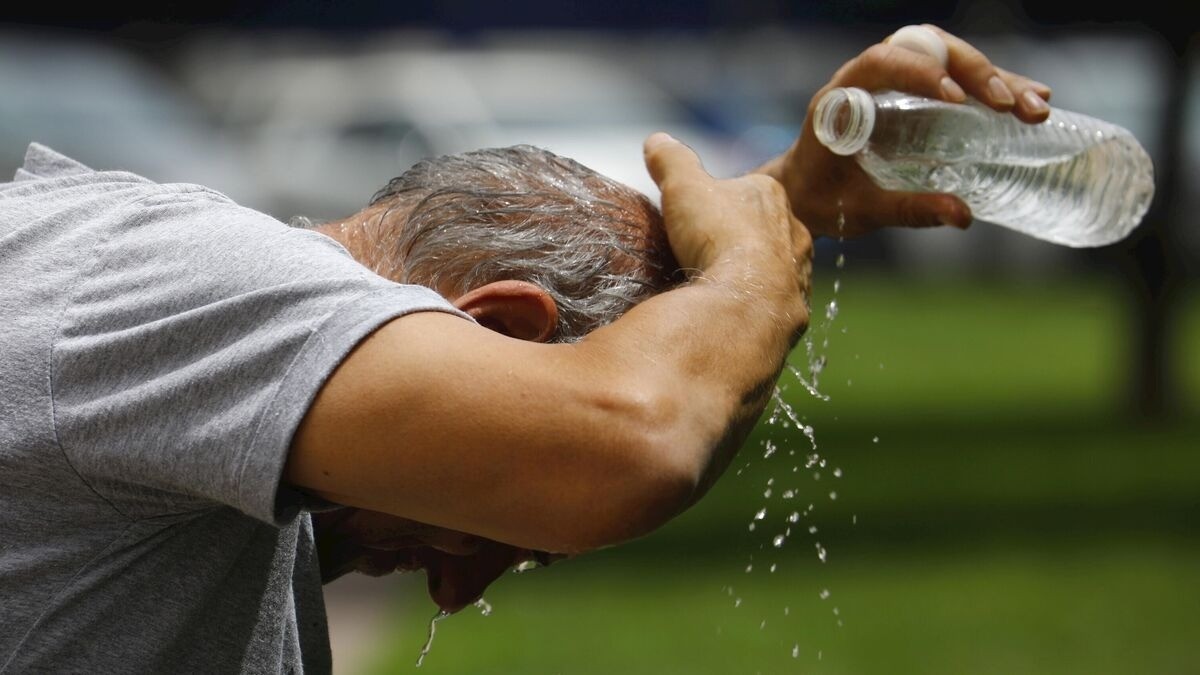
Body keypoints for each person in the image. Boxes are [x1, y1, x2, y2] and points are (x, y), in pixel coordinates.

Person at [0, 25, 1051, 673]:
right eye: (508, 533)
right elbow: (625, 448)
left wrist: (777, 209)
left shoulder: (195, 369)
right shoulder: (191, 279)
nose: (460, 591)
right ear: (503, 332)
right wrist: (745, 274)